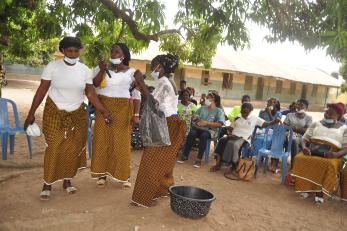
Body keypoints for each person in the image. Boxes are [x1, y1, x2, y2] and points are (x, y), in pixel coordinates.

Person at [23, 36, 111, 200]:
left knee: (72, 147)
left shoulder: (84, 70)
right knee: (54, 145)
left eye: (76, 51)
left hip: (77, 112)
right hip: (54, 111)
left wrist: (103, 110)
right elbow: (42, 90)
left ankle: (67, 181)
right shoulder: (52, 67)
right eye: (69, 51)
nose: (72, 54)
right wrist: (31, 113)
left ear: (79, 51)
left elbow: (90, 92)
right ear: (62, 51)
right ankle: (47, 183)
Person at [131, 54, 187, 207]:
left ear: (161, 67)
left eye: (154, 65)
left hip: (166, 125)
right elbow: (158, 101)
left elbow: (155, 106)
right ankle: (161, 190)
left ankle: (142, 198)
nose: (152, 69)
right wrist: (142, 88)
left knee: (151, 161)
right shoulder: (169, 81)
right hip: (171, 123)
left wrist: (142, 83)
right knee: (164, 161)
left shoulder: (164, 82)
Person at [90, 43, 147, 188]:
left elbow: (136, 95)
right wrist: (102, 70)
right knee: (102, 141)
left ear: (124, 56)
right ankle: (101, 174)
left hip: (123, 110)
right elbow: (93, 85)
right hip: (103, 108)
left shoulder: (131, 72)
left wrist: (136, 115)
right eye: (112, 51)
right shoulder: (101, 68)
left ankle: (124, 177)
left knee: (121, 143)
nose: (113, 54)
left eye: (116, 52)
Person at [291, 103, 347, 203]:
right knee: (300, 158)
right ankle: (306, 188)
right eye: (326, 112)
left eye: (331, 114)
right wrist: (304, 148)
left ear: (338, 116)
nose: (327, 115)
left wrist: (336, 155)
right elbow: (305, 139)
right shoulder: (316, 124)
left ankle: (319, 192)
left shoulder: (344, 129)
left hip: (331, 155)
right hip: (312, 151)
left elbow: (345, 148)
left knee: (328, 164)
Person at [210, 102, 281, 174]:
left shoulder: (254, 118)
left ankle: (234, 165)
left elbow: (266, 124)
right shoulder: (237, 117)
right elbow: (231, 127)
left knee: (235, 145)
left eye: (246, 113)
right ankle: (218, 163)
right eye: (243, 112)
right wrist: (229, 132)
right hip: (233, 136)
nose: (244, 114)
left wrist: (274, 121)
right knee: (222, 140)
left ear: (250, 111)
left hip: (244, 138)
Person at [177, 92, 225, 168]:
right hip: (199, 128)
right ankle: (184, 155)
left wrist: (206, 123)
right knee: (192, 133)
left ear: (214, 100)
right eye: (207, 98)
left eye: (209, 98)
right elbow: (195, 116)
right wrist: (195, 118)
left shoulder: (219, 111)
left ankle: (198, 159)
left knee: (204, 135)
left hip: (210, 131)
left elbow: (220, 124)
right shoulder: (202, 108)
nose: (206, 100)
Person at [283, 99, 312, 168]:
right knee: (280, 137)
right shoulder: (290, 115)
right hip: (288, 135)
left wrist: (292, 128)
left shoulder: (308, 118)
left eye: (301, 105)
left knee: (295, 140)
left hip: (301, 137)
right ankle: (274, 161)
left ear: (306, 108)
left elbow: (306, 131)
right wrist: (297, 129)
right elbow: (284, 126)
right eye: (298, 104)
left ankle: (294, 165)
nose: (299, 106)